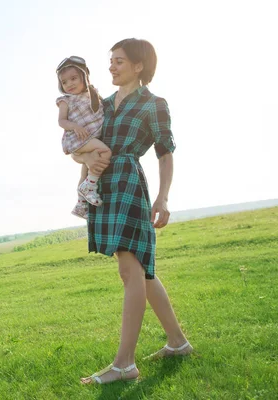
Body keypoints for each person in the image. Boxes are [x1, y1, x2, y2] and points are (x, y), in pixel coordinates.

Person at [74, 38, 193, 385]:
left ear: (139, 66)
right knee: (142, 272)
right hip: (102, 185)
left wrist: (163, 198)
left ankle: (124, 364)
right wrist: (84, 168)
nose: (111, 66)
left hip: (127, 183)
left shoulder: (154, 104)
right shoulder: (101, 105)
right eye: (110, 60)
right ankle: (177, 342)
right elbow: (79, 145)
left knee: (131, 272)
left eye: (119, 61)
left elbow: (165, 152)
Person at [56, 56, 111, 219]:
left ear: (84, 77)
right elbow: (61, 121)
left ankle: (81, 205)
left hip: (90, 138)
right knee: (105, 151)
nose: (69, 84)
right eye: (65, 82)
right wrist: (75, 126)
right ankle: (89, 187)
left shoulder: (93, 94)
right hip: (79, 138)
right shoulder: (66, 100)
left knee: (85, 172)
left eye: (73, 78)